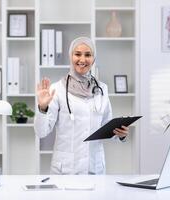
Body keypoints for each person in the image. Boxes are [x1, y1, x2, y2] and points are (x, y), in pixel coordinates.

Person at [34, 37, 129, 175]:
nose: (82, 60)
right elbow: (41, 132)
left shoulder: (102, 89)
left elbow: (107, 127)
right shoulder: (57, 89)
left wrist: (121, 135)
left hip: (94, 168)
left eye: (88, 55)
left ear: (94, 58)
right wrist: (42, 108)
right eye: (77, 54)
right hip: (66, 170)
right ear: (70, 56)